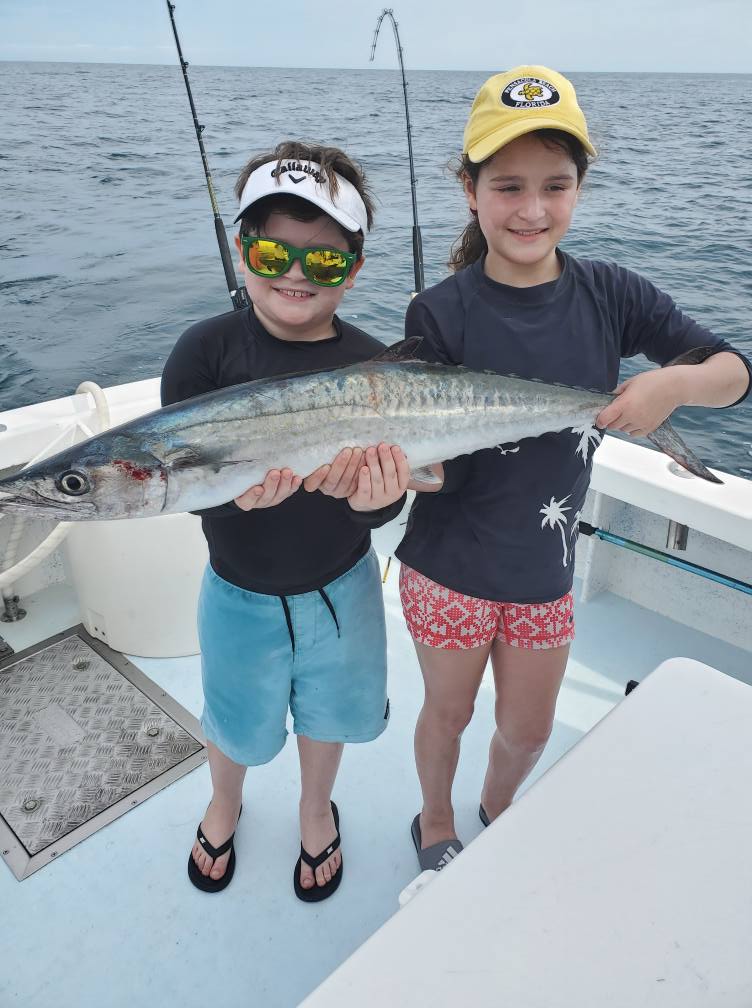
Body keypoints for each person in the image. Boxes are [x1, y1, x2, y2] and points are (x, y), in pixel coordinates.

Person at [395, 66, 752, 871]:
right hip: (448, 566)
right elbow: (431, 467)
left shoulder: (612, 294)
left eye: (554, 186)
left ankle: (496, 811)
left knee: (528, 731)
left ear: (579, 189)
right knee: (447, 715)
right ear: (470, 191)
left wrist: (673, 385)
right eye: (508, 186)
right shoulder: (439, 311)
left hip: (546, 570)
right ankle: (434, 821)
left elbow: (734, 372)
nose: (532, 209)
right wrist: (398, 470)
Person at [161, 141, 410, 900]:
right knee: (233, 719)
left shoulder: (377, 366)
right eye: (273, 252)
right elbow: (185, 488)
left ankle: (313, 808)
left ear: (353, 270)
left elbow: (393, 495)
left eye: (325, 260)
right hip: (237, 591)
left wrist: (376, 501)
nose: (296, 274)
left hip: (344, 588)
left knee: (328, 717)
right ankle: (224, 800)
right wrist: (228, 497)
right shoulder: (202, 352)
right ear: (244, 252)